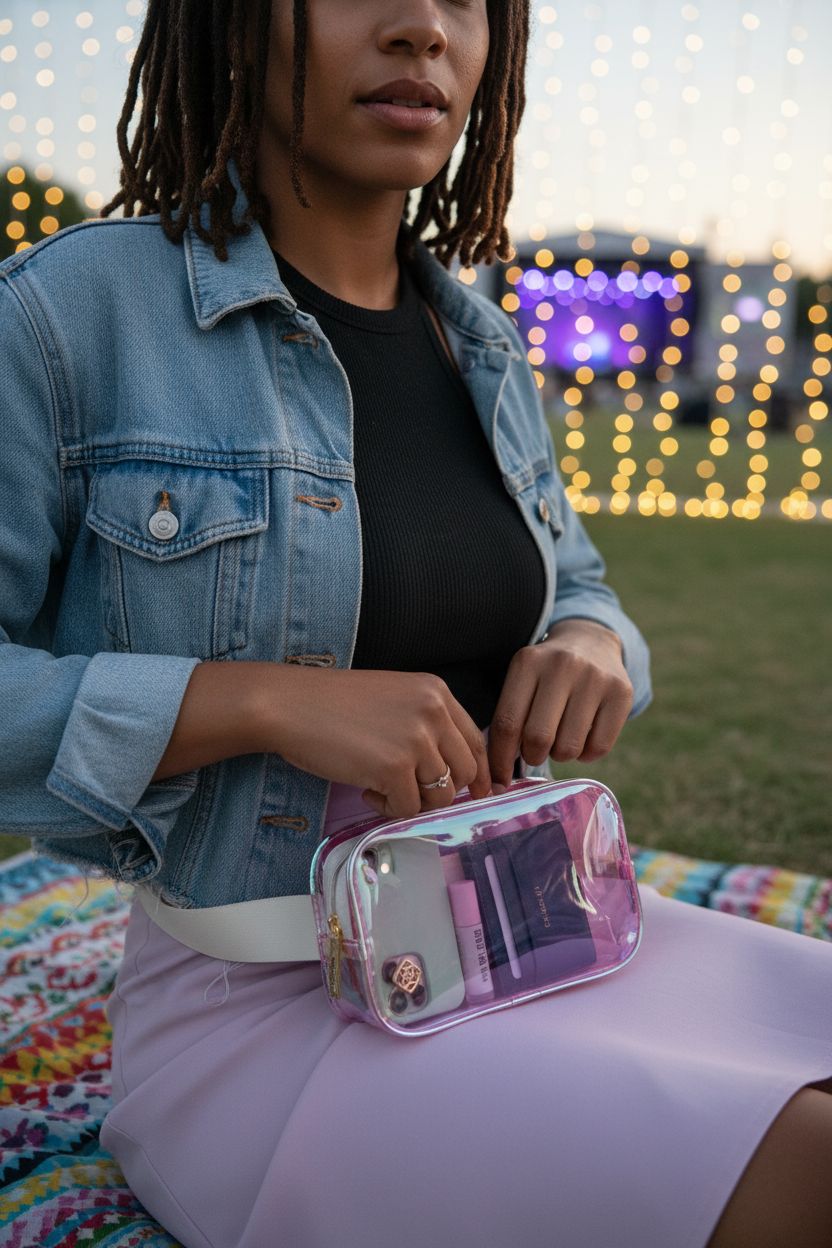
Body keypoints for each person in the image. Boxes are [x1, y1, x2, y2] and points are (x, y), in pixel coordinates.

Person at [1, 2, 830, 1245]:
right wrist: (262, 698)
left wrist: (594, 649)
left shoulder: (481, 342)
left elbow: (583, 585)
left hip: (533, 931)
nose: (421, 31)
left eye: (465, 2)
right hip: (265, 1014)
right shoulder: (69, 314)